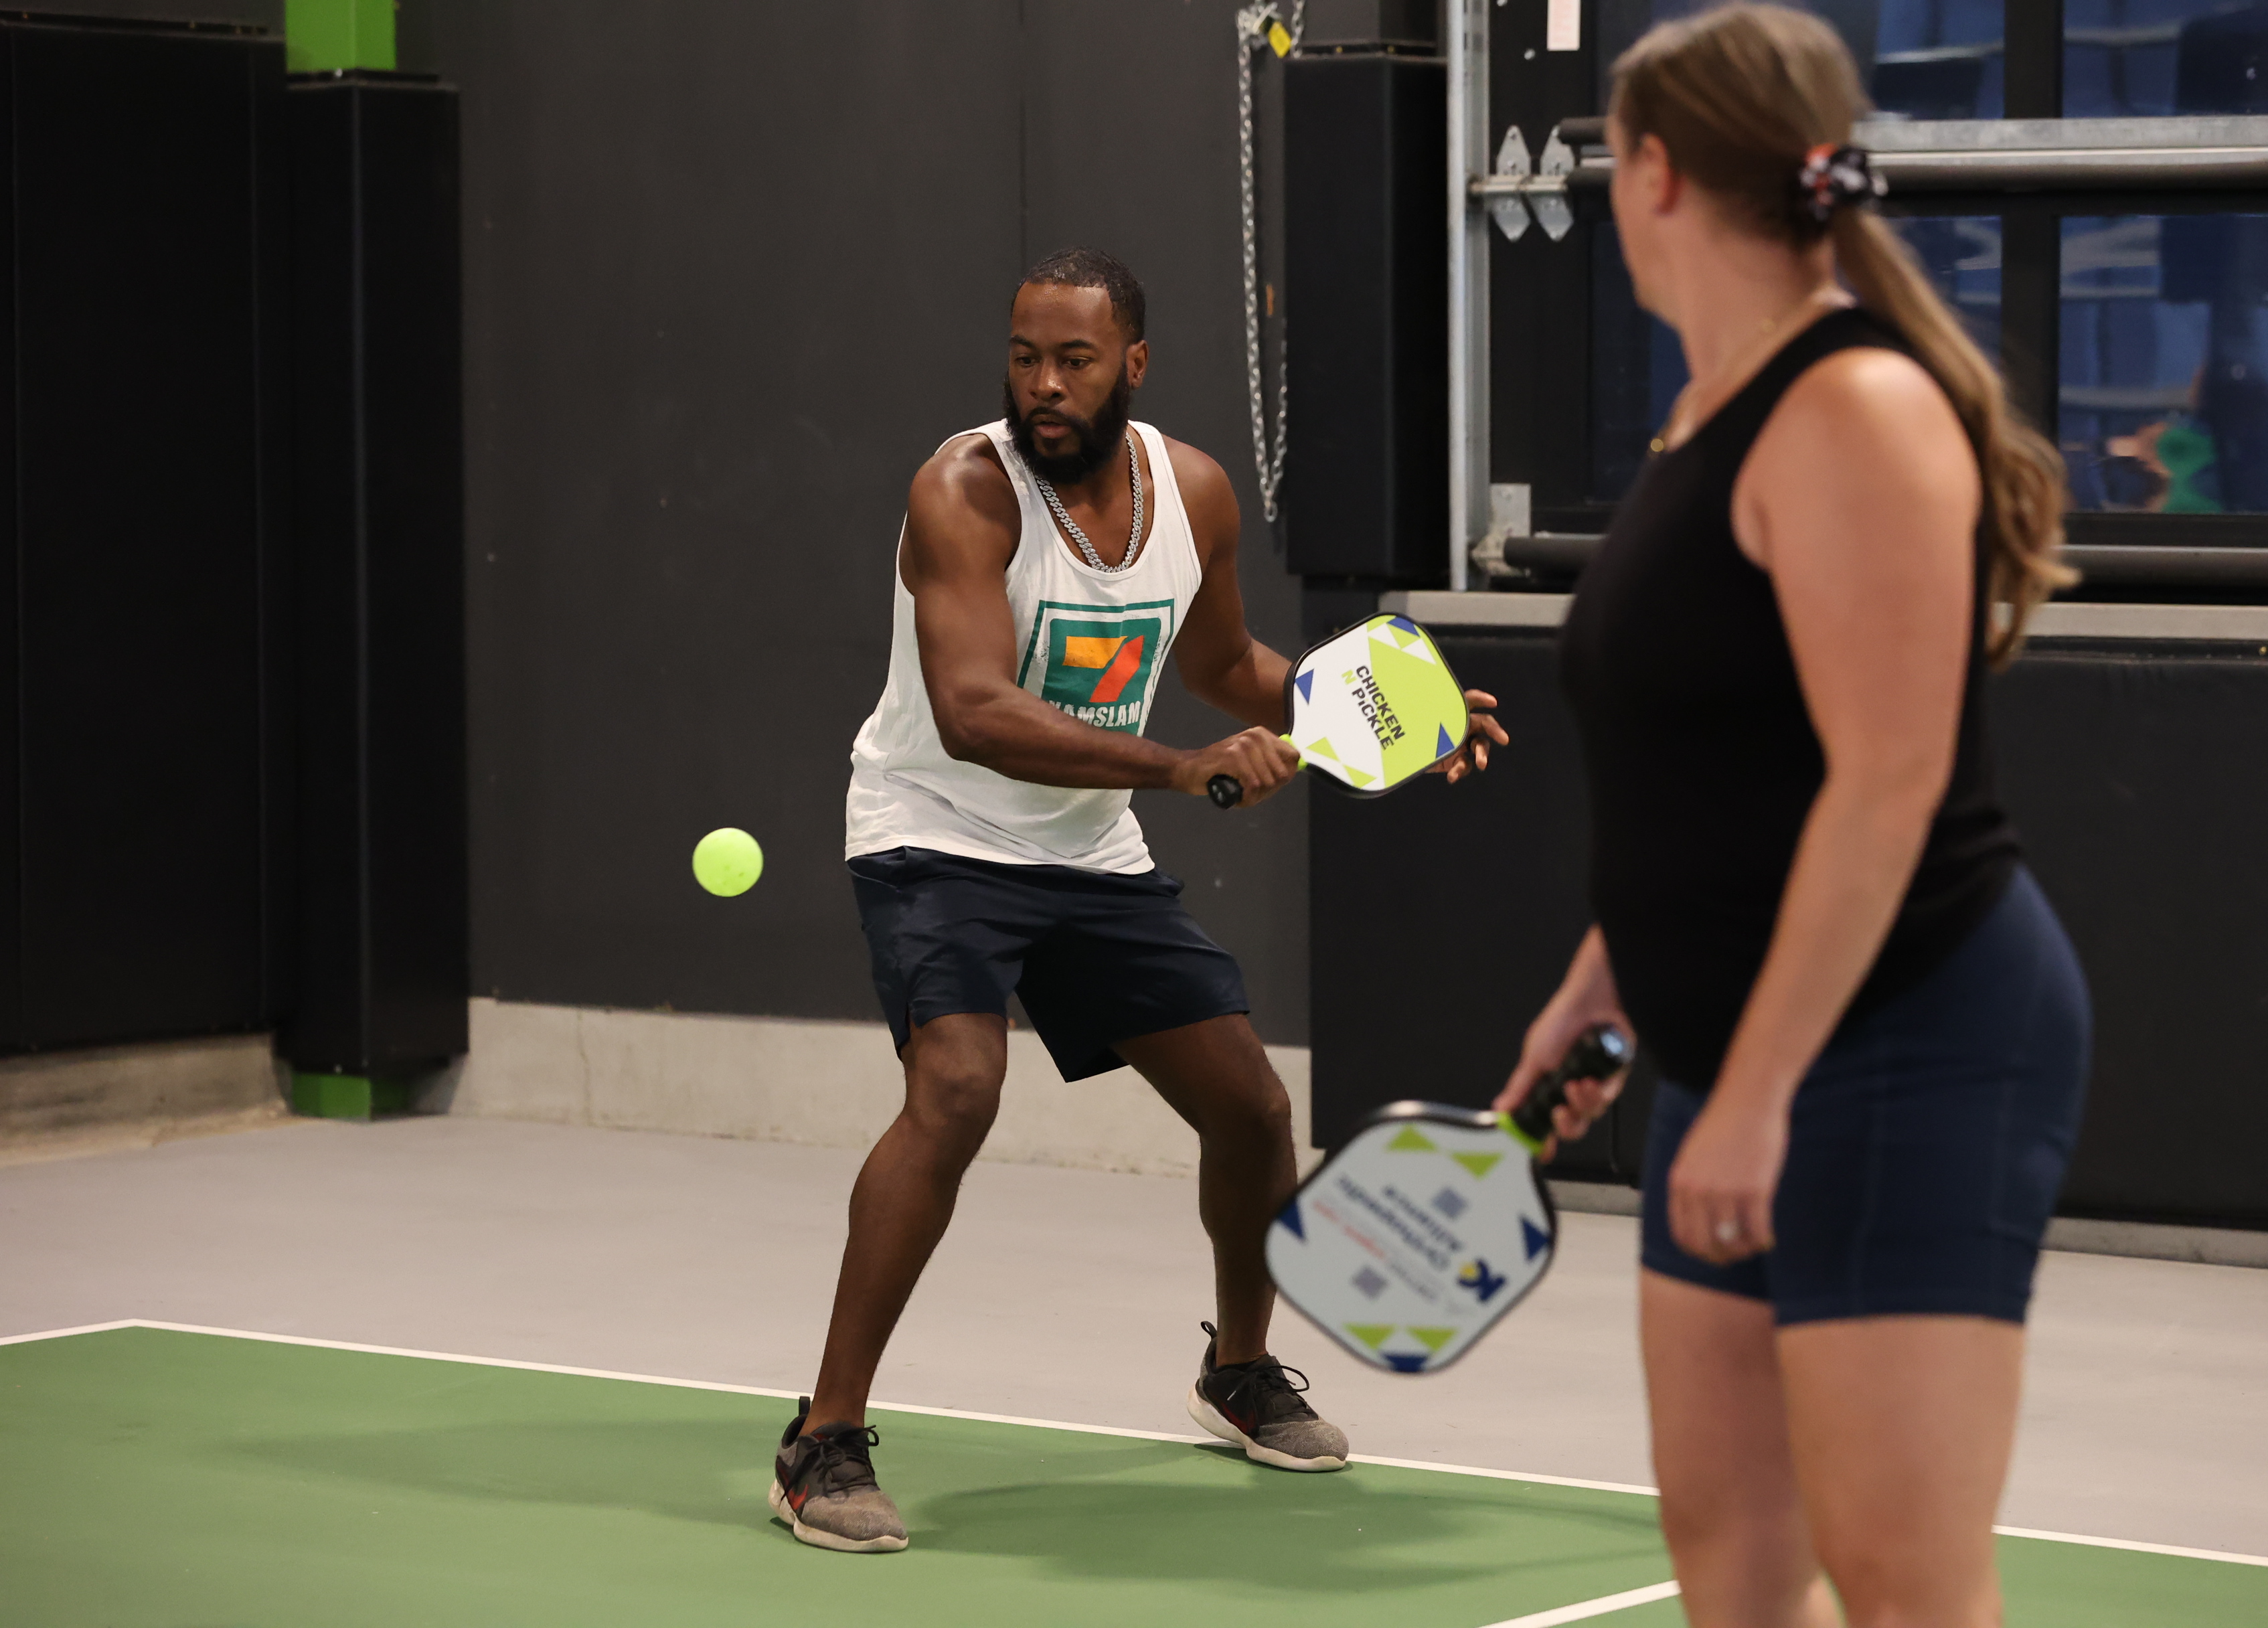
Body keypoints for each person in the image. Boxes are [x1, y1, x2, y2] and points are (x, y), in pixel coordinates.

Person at [1492, 9, 2089, 1626]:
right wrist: (1608, 976)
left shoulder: (1856, 411)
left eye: (1611, 163)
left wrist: (1756, 1088)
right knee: (1736, 1571)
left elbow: (1888, 776)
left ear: (1661, 172)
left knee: (1902, 1581)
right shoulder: (1705, 415)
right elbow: (1715, 762)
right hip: (1739, 1046)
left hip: (1908, 1040)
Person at [772, 246, 1506, 1552]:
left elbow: (1220, 659)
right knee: (957, 1086)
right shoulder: (965, 492)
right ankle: (824, 1435)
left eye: (1075, 360)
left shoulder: (1195, 493)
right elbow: (977, 710)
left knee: (1252, 1103)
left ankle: (1238, 1367)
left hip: (1083, 845)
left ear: (1134, 365)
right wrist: (1181, 770)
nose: (1044, 387)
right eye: (1024, 357)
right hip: (934, 833)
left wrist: (1394, 719)